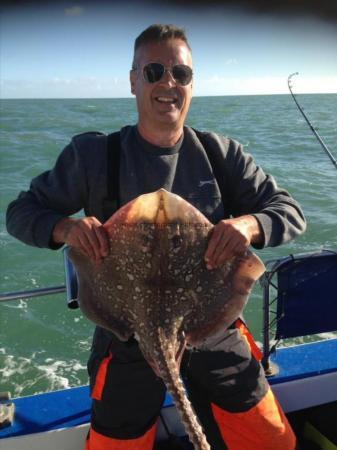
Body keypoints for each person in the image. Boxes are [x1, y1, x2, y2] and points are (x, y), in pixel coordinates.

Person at [6, 24, 306, 450]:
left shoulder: (222, 155)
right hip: (126, 331)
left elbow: (290, 212)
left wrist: (249, 225)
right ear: (133, 81)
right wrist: (66, 227)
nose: (168, 83)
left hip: (211, 323)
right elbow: (20, 212)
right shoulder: (93, 156)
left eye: (180, 74)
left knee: (272, 441)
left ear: (191, 84)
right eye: (154, 72)